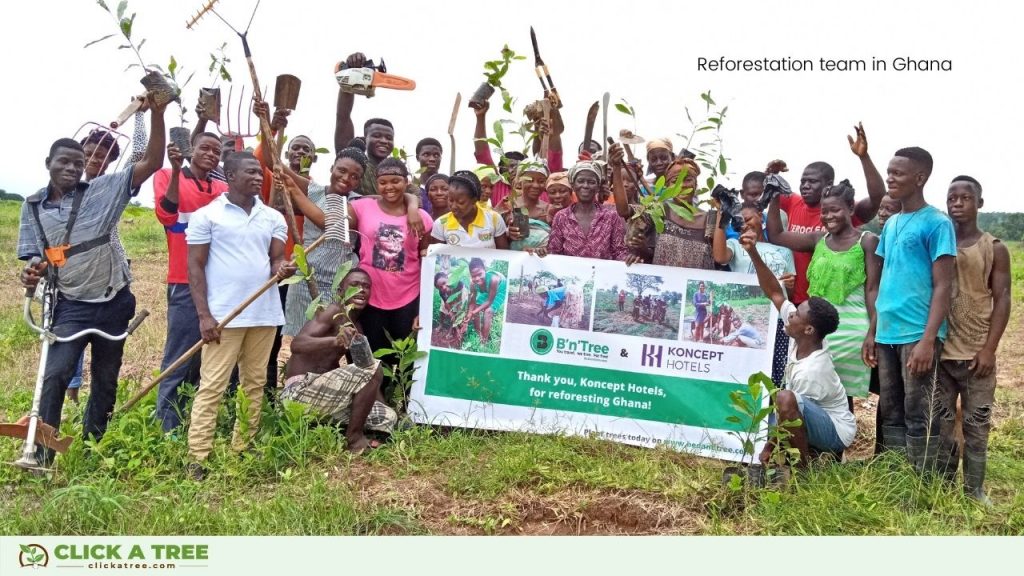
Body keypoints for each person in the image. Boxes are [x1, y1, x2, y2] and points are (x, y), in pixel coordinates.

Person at [17, 91, 167, 464]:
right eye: (64, 161)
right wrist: (32, 270)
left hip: (114, 299)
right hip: (70, 303)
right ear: (48, 163)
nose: (72, 168)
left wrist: (157, 113)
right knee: (55, 374)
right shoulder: (32, 206)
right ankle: (41, 454)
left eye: (78, 163)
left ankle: (92, 447)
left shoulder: (103, 190)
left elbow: (150, 160)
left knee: (105, 378)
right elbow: (34, 254)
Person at [185, 152, 295, 479]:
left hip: (264, 314)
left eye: (259, 173)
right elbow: (195, 267)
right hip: (224, 317)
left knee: (254, 383)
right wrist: (204, 316)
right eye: (250, 172)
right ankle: (198, 456)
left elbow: (276, 259)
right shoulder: (207, 215)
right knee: (213, 386)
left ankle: (243, 446)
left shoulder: (273, 217)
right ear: (230, 176)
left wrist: (283, 269)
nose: (258, 177)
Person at [863, 147, 956, 473]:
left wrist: (929, 340)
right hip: (887, 332)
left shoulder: (937, 223)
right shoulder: (891, 224)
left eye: (898, 173)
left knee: (919, 411)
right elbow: (885, 282)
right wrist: (872, 331)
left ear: (920, 178)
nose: (890, 178)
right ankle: (896, 477)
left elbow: (944, 285)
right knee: (891, 410)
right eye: (889, 172)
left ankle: (922, 482)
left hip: (917, 333)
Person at [741, 228, 855, 467]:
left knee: (784, 401)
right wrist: (753, 253)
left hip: (836, 432)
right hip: (813, 414)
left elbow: (792, 418)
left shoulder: (813, 370)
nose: (791, 315)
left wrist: (768, 447)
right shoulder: (802, 337)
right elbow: (774, 292)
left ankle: (802, 470)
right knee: (776, 410)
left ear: (809, 329)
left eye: (797, 315)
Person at [767, 180, 881, 404]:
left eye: (835, 210)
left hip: (852, 333)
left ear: (850, 208)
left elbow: (873, 290)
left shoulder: (867, 241)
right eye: (824, 211)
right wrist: (774, 194)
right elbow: (777, 235)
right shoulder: (818, 239)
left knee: (841, 396)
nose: (828, 216)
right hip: (817, 331)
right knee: (814, 392)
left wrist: (872, 333)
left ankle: (840, 428)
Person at [936, 175, 1011, 502]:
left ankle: (974, 490)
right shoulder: (939, 244)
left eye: (965, 198)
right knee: (941, 424)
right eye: (951, 198)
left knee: (977, 424)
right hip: (941, 353)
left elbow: (1003, 298)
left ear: (979, 203)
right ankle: (942, 486)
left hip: (976, 353)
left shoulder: (994, 248)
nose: (957, 203)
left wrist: (989, 349)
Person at [152, 133, 229, 431]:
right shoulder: (166, 176)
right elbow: (166, 214)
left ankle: (191, 416)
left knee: (206, 353)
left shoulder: (221, 188)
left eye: (216, 151)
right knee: (180, 354)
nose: (211, 154)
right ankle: (167, 425)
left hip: (218, 282)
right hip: (183, 280)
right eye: (204, 148)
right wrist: (175, 171)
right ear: (191, 150)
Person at [766, 123, 886, 305]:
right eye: (803, 181)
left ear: (828, 184)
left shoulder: (846, 210)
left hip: (837, 303)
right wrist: (771, 177)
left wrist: (864, 157)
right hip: (796, 298)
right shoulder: (794, 203)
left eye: (812, 181)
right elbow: (763, 197)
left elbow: (877, 198)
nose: (805, 186)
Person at [281, 268, 398, 454]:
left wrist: (385, 407)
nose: (361, 290)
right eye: (354, 285)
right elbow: (297, 344)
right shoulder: (333, 311)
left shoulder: (355, 326)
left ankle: (325, 430)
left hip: (326, 397)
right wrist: (334, 341)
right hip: (300, 392)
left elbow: (366, 376)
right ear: (340, 291)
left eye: (366, 286)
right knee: (374, 367)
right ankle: (354, 440)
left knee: (388, 417)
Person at [348, 158, 433, 390]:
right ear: (376, 184)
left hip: (408, 296)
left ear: (406, 181)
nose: (389, 187)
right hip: (371, 297)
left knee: (408, 359)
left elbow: (426, 260)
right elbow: (328, 217)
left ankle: (405, 404)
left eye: (395, 181)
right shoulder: (362, 207)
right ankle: (377, 404)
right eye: (383, 182)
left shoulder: (423, 219)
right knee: (375, 357)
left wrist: (423, 306)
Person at [278, 147, 367, 337]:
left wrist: (293, 189)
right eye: (341, 170)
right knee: (297, 337)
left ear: (359, 182)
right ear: (332, 168)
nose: (346, 178)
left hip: (339, 284)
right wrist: (271, 130)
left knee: (332, 339)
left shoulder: (356, 203)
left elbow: (326, 222)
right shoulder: (314, 190)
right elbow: (274, 163)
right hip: (305, 277)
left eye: (354, 176)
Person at [612, 147, 714, 269]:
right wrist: (616, 167)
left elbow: (720, 259)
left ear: (695, 184)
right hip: (664, 281)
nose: (681, 185)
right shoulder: (659, 211)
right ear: (667, 186)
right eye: (675, 181)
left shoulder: (709, 219)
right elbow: (623, 210)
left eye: (687, 180)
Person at [473, 100, 563, 207]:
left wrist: (554, 134)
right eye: (507, 168)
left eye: (516, 166)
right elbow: (483, 154)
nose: (512, 171)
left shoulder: (540, 186)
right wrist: (480, 117)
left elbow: (554, 159)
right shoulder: (497, 186)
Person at [545, 161, 628, 261]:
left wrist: (630, 259)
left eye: (591, 182)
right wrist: (539, 254)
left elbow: (619, 251)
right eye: (580, 181)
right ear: (573, 186)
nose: (585, 185)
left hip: (601, 271)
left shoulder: (611, 216)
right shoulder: (561, 217)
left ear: (598, 187)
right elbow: (554, 252)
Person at [430, 171, 509, 249]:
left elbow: (503, 253)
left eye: (460, 202)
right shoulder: (441, 224)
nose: (453, 206)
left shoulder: (494, 219)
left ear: (474, 200)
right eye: (450, 200)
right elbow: (437, 255)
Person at [466, 258, 507, 343]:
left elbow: (489, 301)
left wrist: (474, 312)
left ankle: (484, 341)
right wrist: (470, 313)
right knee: (475, 308)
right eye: (473, 276)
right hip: (489, 289)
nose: (477, 278)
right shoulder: (473, 284)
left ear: (485, 270)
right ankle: (478, 334)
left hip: (501, 288)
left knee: (488, 311)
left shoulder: (493, 280)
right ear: (470, 275)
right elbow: (472, 302)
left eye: (479, 274)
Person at [415, 137, 443, 212]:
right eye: (426, 155)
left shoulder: (449, 188)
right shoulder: (410, 188)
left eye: (436, 155)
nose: (432, 159)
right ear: (417, 157)